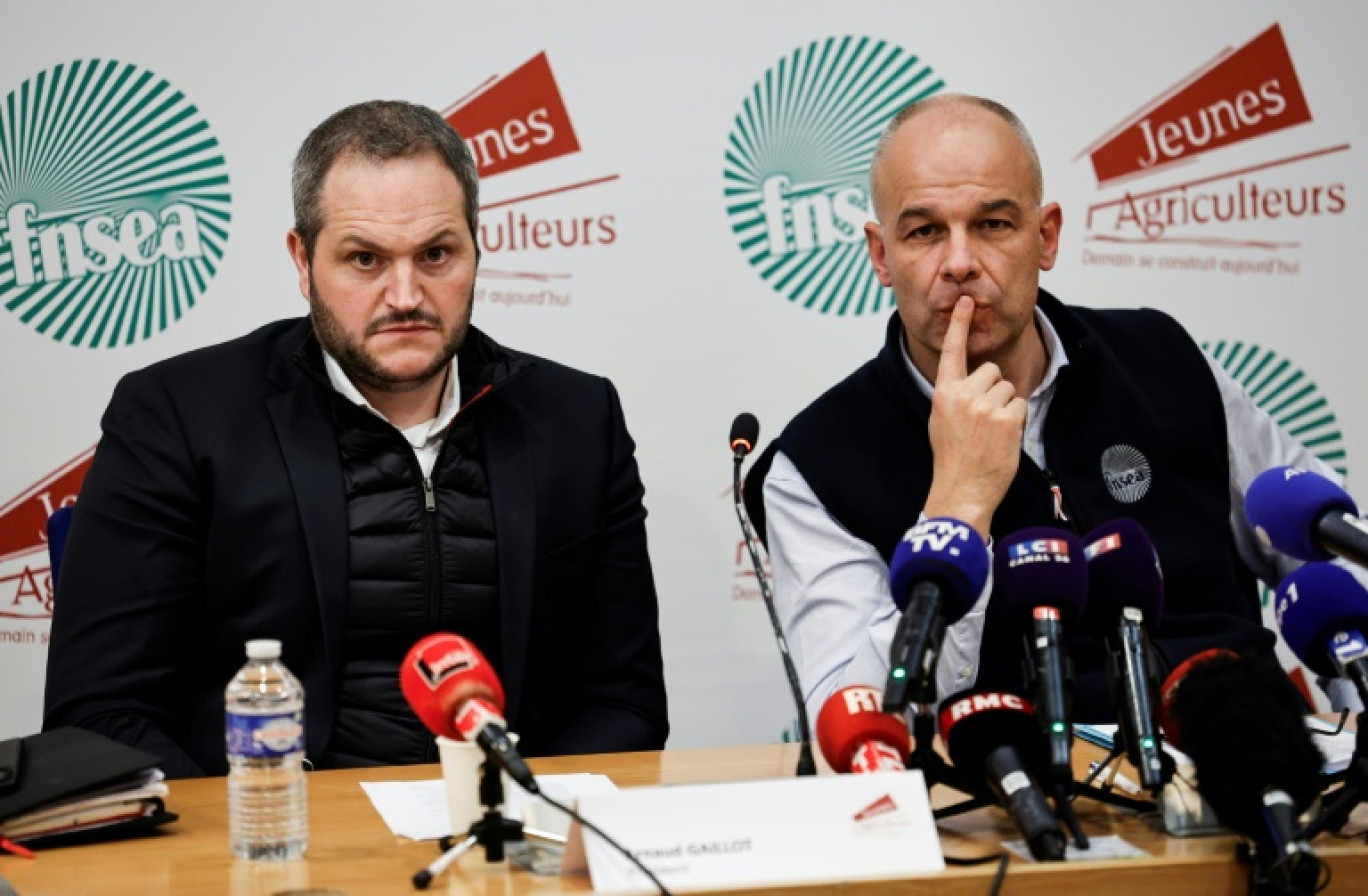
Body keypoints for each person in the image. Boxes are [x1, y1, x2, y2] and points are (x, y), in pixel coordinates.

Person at [43, 100, 668, 778]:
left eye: (436, 254)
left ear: (476, 248)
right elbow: (101, 709)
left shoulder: (578, 417)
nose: (406, 295)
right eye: (365, 259)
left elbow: (625, 701)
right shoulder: (177, 416)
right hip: (271, 848)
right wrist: (255, 840)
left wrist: (525, 821)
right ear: (303, 259)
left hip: (512, 839)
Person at [744, 93, 1351, 727]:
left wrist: (1355, 706)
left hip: (1238, 759)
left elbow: (1325, 556)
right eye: (924, 232)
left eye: (992, 225)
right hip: (1002, 795)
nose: (959, 264)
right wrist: (956, 507)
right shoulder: (814, 465)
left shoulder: (1164, 359)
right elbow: (859, 723)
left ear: (1046, 235)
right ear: (880, 255)